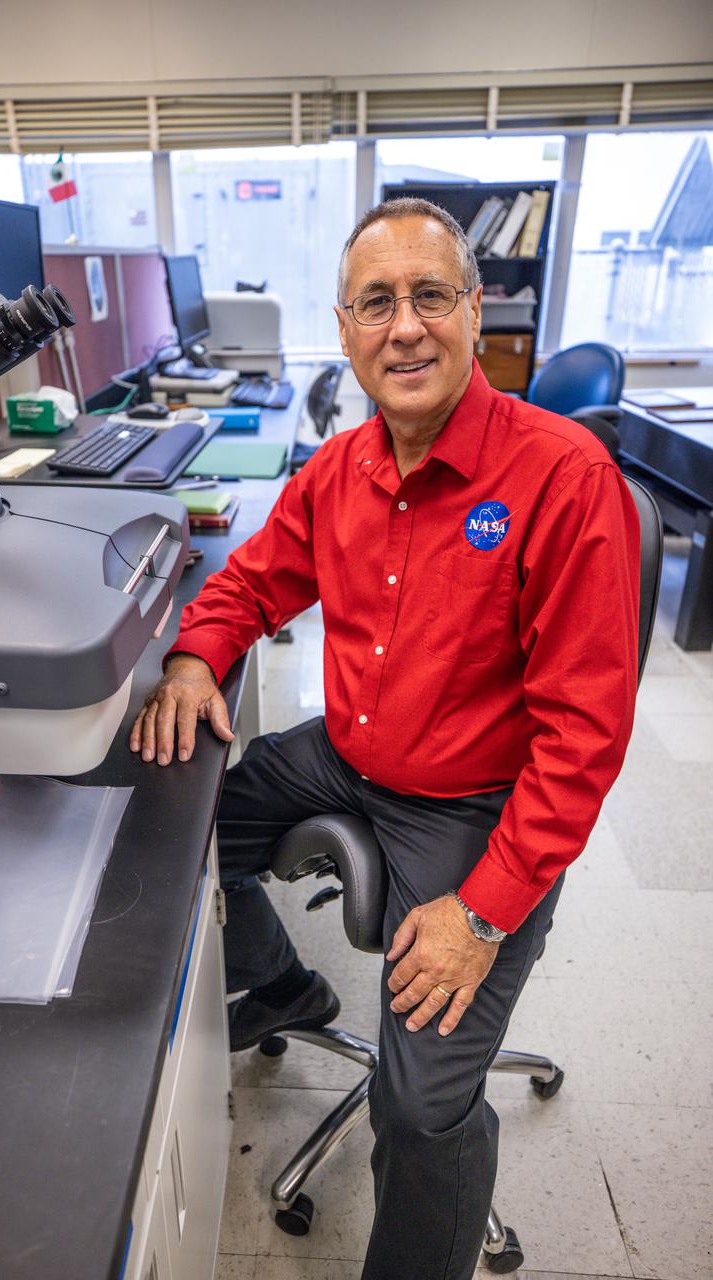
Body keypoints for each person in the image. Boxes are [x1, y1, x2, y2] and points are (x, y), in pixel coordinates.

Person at [129, 197, 640, 1280]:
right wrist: (190, 656)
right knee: (175, 813)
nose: (402, 327)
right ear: (344, 328)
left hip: (478, 802)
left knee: (419, 1102)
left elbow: (583, 739)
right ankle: (283, 988)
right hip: (350, 755)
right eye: (375, 303)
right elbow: (252, 581)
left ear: (472, 311)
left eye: (427, 296)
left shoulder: (561, 477)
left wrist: (485, 908)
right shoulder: (339, 467)